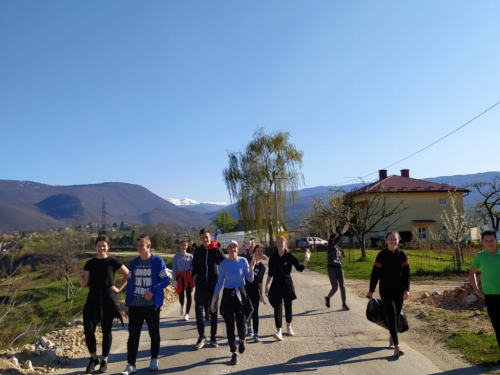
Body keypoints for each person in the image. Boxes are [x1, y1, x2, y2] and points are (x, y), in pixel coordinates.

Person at [72, 235, 129, 374]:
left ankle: (104, 360)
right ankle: (93, 358)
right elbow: (84, 283)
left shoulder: (113, 261)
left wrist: (119, 288)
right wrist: (75, 268)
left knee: (107, 330)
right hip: (93, 298)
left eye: (104, 245)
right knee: (88, 330)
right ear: (95, 247)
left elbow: (128, 274)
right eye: (99, 245)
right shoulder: (90, 263)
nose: (101, 248)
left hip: (108, 298)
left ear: (108, 247)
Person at [121, 235, 171, 375]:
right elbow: (130, 284)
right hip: (136, 305)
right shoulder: (134, 263)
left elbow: (166, 280)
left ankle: (154, 358)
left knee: (154, 333)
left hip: (151, 305)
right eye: (137, 245)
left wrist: (152, 290)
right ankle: (131, 364)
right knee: (133, 336)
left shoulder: (157, 261)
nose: (139, 248)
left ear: (148, 246)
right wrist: (127, 304)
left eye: (141, 245)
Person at [367, 231, 410, 358]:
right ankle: (397, 347)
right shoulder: (381, 256)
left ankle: (392, 334)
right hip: (386, 290)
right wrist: (371, 290)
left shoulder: (403, 255)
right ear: (386, 241)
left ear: (398, 240)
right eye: (390, 239)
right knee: (392, 313)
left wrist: (407, 289)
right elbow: (375, 274)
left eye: (395, 239)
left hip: (399, 290)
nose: (393, 241)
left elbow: (407, 274)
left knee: (396, 316)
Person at [213, 240, 256, 365]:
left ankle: (242, 340)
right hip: (228, 294)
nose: (232, 249)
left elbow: (250, 279)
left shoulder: (243, 261)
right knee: (229, 325)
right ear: (228, 250)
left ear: (238, 249)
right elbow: (220, 282)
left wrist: (252, 266)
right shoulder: (223, 264)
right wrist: (215, 298)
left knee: (241, 322)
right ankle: (233, 352)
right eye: (230, 247)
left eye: (235, 247)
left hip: (240, 294)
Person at [265, 236, 311, 340]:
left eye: (282, 242)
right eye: (278, 242)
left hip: (287, 283)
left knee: (288, 306)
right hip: (276, 284)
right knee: (278, 308)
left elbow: (299, 268)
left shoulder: (290, 256)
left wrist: (306, 260)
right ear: (276, 244)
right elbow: (270, 273)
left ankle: (289, 326)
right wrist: (266, 285)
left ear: (285, 244)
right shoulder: (273, 257)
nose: (280, 243)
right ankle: (279, 331)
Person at [191, 228, 226, 349]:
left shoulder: (216, 250)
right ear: (200, 239)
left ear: (210, 237)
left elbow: (225, 263)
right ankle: (201, 336)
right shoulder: (198, 251)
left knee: (213, 310)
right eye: (202, 238)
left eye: (207, 237)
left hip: (213, 284)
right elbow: (194, 266)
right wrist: (194, 275)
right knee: (198, 309)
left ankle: (213, 337)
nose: (205, 239)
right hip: (201, 284)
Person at [469, 230, 500, 364]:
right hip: (491, 297)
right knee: (498, 327)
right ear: (482, 242)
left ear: (496, 240)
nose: (490, 243)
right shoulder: (480, 256)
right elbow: (472, 273)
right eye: (486, 241)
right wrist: (476, 290)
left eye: (492, 240)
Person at [325, 223, 350, 311]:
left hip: (339, 267)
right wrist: (343, 232)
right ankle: (328, 298)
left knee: (342, 286)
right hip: (331, 267)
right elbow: (335, 241)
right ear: (332, 239)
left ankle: (344, 304)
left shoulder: (339, 248)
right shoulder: (330, 246)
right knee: (335, 287)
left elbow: (340, 257)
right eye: (336, 238)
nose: (338, 240)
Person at [245, 243, 267, 342]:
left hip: (255, 291)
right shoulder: (248, 261)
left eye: (261, 251)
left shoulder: (262, 267)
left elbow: (260, 281)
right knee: (246, 311)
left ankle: (256, 334)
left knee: (255, 312)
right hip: (245, 290)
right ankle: (248, 327)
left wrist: (261, 294)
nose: (260, 253)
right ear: (254, 252)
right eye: (258, 251)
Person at [172, 240, 193, 321]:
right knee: (181, 295)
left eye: (185, 245)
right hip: (179, 277)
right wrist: (174, 280)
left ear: (187, 246)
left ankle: (187, 313)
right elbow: (174, 269)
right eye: (182, 245)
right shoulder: (176, 257)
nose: (184, 246)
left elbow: (193, 267)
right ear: (180, 246)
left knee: (189, 295)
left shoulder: (190, 256)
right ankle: (182, 305)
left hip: (188, 277)